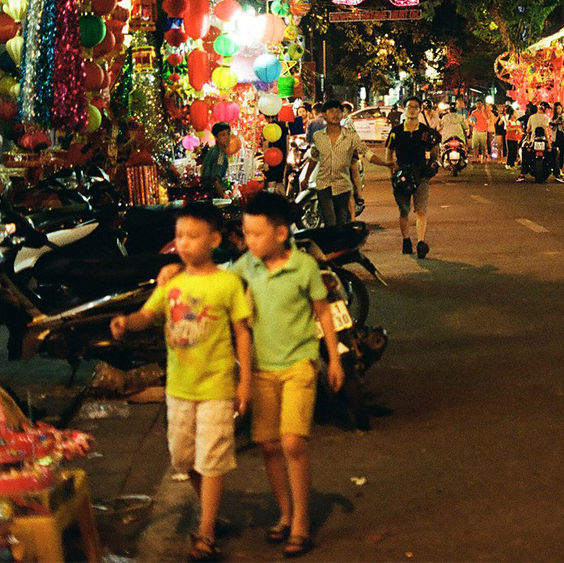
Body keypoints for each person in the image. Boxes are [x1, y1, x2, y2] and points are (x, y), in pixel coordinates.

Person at [110, 203, 253, 562]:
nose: (185, 244)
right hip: (179, 388)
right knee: (182, 456)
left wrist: (244, 382)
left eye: (193, 236)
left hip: (216, 387)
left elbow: (242, 333)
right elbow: (148, 314)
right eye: (180, 237)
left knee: (212, 457)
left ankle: (205, 532)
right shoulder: (172, 283)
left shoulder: (227, 283)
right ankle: (210, 508)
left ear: (214, 239)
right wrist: (126, 322)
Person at [232, 192, 344, 558]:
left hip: (300, 365)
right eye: (246, 233)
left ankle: (301, 524)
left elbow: (323, 313)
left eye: (257, 234)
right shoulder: (247, 265)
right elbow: (220, 286)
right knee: (267, 446)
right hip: (262, 369)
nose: (250, 241)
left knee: (293, 442)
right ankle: (284, 513)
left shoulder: (304, 267)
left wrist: (334, 359)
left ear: (281, 234)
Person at [306, 101, 392, 228]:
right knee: (330, 223)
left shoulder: (350, 136)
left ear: (342, 115)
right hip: (324, 186)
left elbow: (367, 153)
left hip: (343, 186)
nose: (335, 115)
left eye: (338, 111)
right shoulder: (318, 136)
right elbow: (313, 158)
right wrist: (306, 178)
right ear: (324, 114)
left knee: (342, 224)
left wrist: (385, 163)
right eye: (331, 111)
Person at [386, 99, 441, 258]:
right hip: (402, 176)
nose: (412, 110)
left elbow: (434, 148)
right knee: (404, 211)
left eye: (415, 107)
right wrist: (391, 173)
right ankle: (406, 239)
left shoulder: (425, 131)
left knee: (421, 210)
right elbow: (389, 152)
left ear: (419, 110)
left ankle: (421, 242)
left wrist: (432, 163)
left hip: (421, 175)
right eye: (410, 106)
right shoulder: (396, 131)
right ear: (405, 109)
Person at [199, 122, 234, 197]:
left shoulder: (213, 149)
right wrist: (223, 196)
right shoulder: (220, 154)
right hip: (213, 195)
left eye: (228, 134)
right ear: (216, 138)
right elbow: (215, 179)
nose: (227, 138)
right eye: (223, 135)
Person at [550, 103, 564, 183]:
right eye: (556, 109)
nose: (558, 110)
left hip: (562, 136)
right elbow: (551, 127)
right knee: (554, 153)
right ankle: (555, 170)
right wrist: (555, 122)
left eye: (559, 108)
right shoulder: (553, 118)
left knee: (561, 153)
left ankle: (559, 169)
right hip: (555, 137)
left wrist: (562, 122)